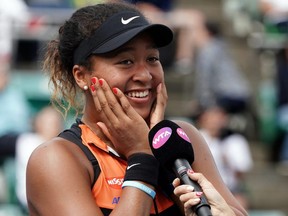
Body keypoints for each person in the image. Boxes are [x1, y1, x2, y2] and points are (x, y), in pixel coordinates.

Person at [26, 2, 248, 216]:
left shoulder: (182, 138)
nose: (145, 75)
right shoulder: (57, 158)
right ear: (82, 76)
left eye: (152, 58)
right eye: (126, 61)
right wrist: (142, 156)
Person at [196, 105, 253, 210]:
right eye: (211, 118)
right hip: (202, 188)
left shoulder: (236, 140)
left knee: (241, 204)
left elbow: (242, 170)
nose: (215, 122)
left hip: (231, 190)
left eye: (219, 118)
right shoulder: (197, 138)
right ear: (203, 119)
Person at [15, 105, 64, 212]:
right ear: (39, 124)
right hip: (29, 203)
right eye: (48, 123)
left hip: (56, 201)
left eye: (55, 123)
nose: (52, 127)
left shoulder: (63, 145)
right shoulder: (27, 141)